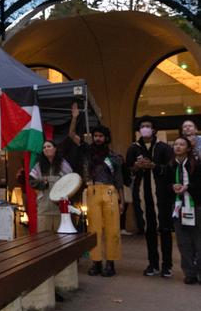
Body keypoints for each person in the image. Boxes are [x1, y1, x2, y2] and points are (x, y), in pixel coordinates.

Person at [126, 117, 174, 277]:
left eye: (148, 126)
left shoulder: (163, 148)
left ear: (154, 130)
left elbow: (171, 169)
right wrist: (136, 167)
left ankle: (167, 265)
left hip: (161, 196)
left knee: (165, 230)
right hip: (142, 195)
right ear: (139, 130)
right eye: (142, 126)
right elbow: (127, 172)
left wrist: (154, 166)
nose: (145, 128)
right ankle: (152, 264)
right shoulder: (134, 148)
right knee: (149, 231)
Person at [80, 125, 124, 277]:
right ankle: (96, 262)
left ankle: (110, 263)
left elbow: (119, 179)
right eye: (95, 136)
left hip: (110, 191)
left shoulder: (113, 157)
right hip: (92, 191)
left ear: (106, 138)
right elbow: (72, 135)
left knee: (112, 230)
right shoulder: (88, 154)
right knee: (94, 230)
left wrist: (122, 201)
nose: (98, 138)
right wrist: (74, 119)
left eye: (101, 136)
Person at [167, 136, 201, 284]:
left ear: (188, 148)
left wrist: (188, 187)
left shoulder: (197, 164)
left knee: (198, 242)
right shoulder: (170, 165)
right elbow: (165, 185)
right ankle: (189, 273)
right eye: (176, 144)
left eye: (182, 144)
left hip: (196, 206)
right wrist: (172, 186)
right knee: (183, 243)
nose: (178, 147)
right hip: (178, 207)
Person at [29, 140, 73, 232]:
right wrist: (42, 184)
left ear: (55, 149)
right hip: (43, 208)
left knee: (61, 238)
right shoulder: (39, 166)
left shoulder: (63, 164)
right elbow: (31, 181)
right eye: (44, 147)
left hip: (60, 209)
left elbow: (71, 181)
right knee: (43, 238)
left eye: (49, 146)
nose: (46, 149)